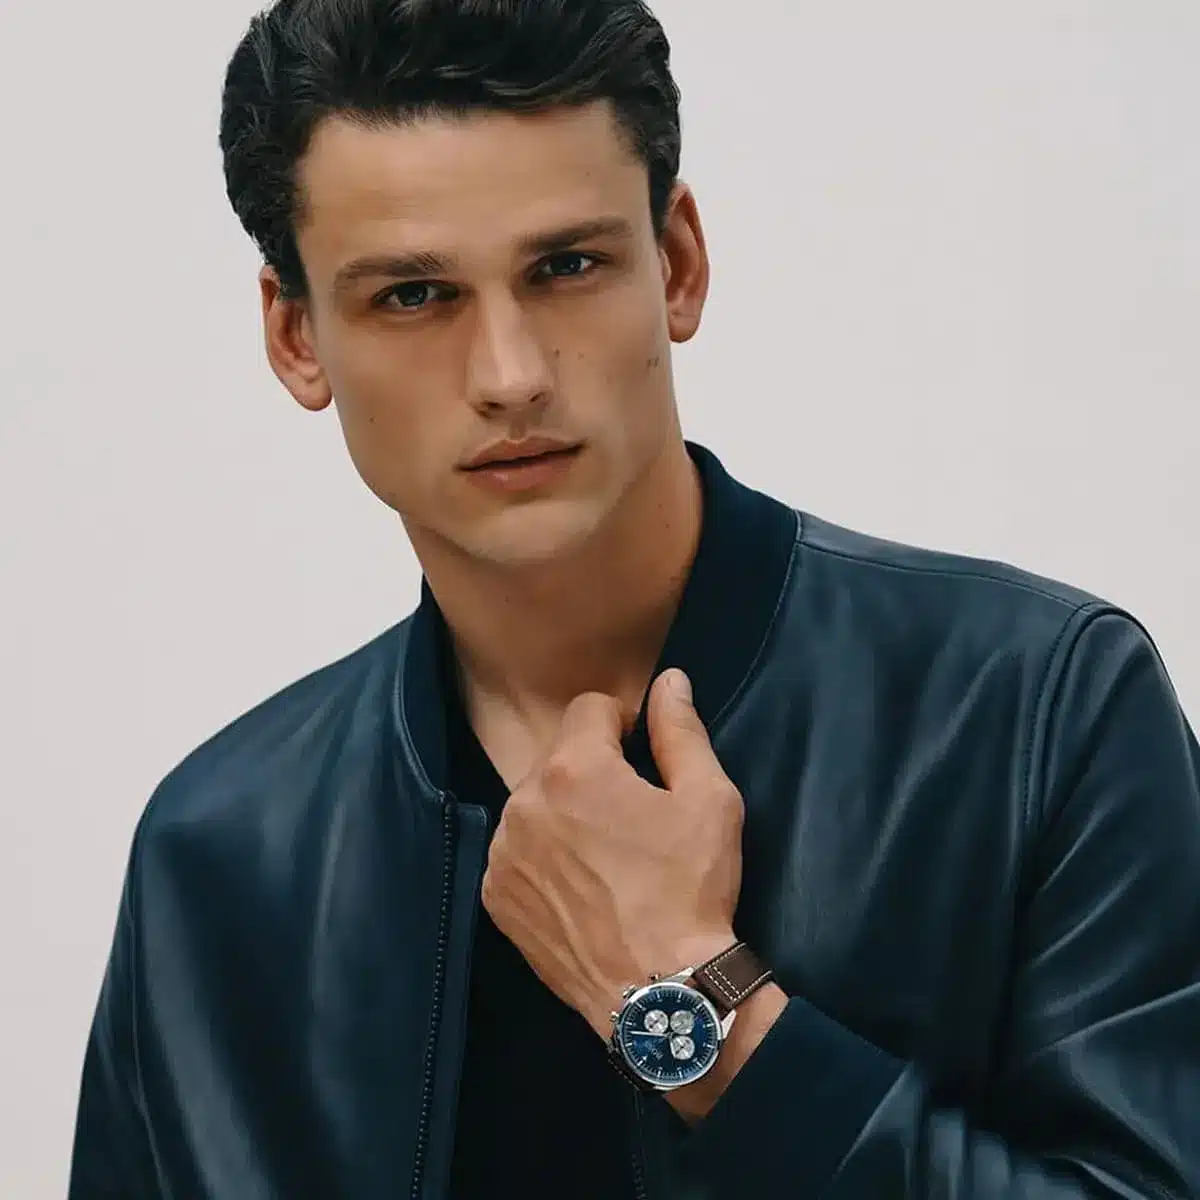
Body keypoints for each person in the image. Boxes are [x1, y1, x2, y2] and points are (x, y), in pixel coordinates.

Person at [68, 0, 1200, 1196]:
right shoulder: (218, 859)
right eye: (412, 295)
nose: (510, 375)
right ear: (297, 337)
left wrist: (691, 1002)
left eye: (566, 267)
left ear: (679, 265)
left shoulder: (1038, 713)